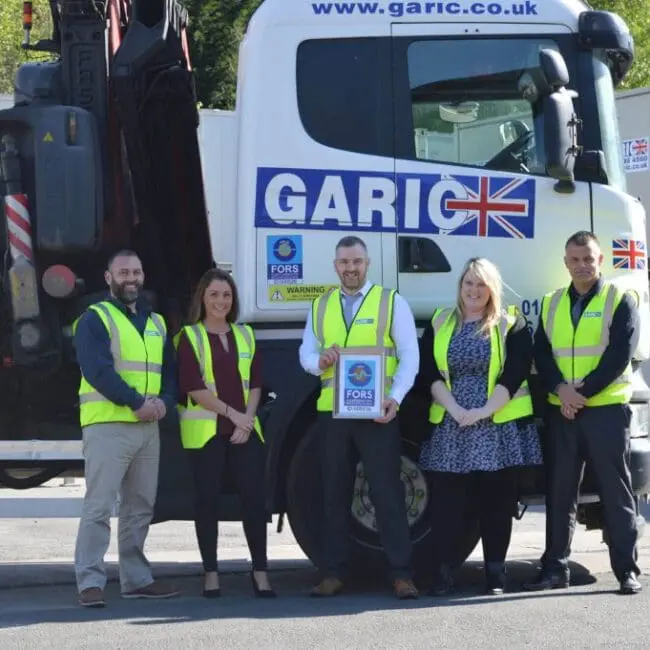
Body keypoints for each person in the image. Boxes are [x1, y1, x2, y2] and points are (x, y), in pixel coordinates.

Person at [299, 235, 420, 599]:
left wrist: (395, 399)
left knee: (387, 493)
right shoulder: (320, 305)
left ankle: (401, 573)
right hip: (333, 414)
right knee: (333, 492)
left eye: (357, 262)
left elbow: (410, 355)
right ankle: (333, 572)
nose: (350, 268)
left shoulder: (390, 301)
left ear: (367, 264)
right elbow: (305, 352)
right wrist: (317, 362)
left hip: (377, 413)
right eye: (344, 263)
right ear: (335, 266)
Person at [524, 231, 642, 595]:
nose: (582, 265)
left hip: (604, 409)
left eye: (588, 258)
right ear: (565, 263)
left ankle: (626, 569)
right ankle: (555, 569)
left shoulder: (620, 298)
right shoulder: (551, 302)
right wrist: (562, 391)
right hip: (564, 410)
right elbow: (541, 354)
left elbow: (619, 356)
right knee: (560, 493)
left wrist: (580, 394)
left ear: (600, 259)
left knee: (616, 491)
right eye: (575, 260)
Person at [417, 257, 543, 596]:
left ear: (492, 289)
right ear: (460, 286)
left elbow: (515, 372)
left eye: (481, 284)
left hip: (495, 425)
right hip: (451, 422)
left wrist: (485, 410)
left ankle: (495, 574)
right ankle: (443, 573)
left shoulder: (510, 323)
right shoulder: (441, 321)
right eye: (468, 283)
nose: (473, 290)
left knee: (497, 503)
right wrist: (457, 409)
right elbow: (428, 371)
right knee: (447, 504)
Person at [73, 250, 179, 608]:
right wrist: (137, 402)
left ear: (143, 274)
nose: (130, 278)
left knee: (139, 507)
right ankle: (90, 581)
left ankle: (136, 579)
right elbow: (97, 370)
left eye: (135, 271)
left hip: (147, 424)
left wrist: (163, 401)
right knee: (99, 507)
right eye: (122, 272)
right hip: (108, 425)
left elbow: (169, 373)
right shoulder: (94, 318)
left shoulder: (157, 323)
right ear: (108, 278)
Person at [175, 268, 275, 598]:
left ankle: (260, 573)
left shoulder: (245, 335)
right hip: (207, 434)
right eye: (214, 294)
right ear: (202, 298)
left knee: (255, 502)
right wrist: (234, 416)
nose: (221, 301)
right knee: (207, 503)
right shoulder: (189, 336)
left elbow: (257, 383)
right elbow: (193, 388)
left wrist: (246, 420)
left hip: (246, 433)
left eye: (227, 295)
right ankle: (211, 574)